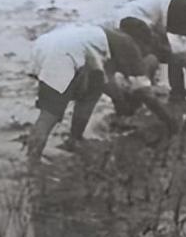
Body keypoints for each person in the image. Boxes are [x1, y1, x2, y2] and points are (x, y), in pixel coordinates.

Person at [25, 23, 176, 160]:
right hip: (64, 56)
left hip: (44, 46)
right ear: (142, 42)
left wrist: (121, 104)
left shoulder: (104, 38)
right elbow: (144, 93)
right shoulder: (129, 43)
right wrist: (170, 122)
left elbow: (106, 83)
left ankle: (75, 140)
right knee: (49, 116)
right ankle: (32, 162)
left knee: (92, 89)